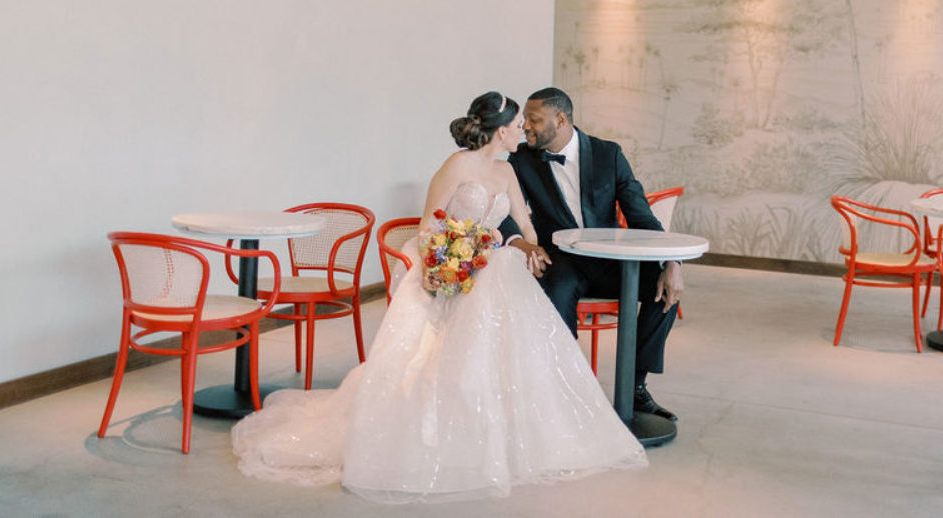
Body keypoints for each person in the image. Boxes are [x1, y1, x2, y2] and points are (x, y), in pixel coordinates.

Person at [231, 92, 646, 501]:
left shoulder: (508, 172)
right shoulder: (455, 166)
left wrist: (525, 247)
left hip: (493, 266)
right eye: (518, 125)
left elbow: (526, 227)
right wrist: (456, 255)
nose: (523, 130)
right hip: (448, 264)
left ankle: (510, 433)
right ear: (501, 132)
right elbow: (429, 226)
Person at [500, 87, 684, 422]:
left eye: (534, 120)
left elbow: (641, 216)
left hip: (611, 260)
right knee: (555, 293)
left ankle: (635, 387)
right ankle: (563, 386)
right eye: (525, 119)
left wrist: (671, 261)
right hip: (561, 260)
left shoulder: (608, 154)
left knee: (664, 293)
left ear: (561, 119)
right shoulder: (521, 160)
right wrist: (520, 241)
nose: (525, 126)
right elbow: (504, 211)